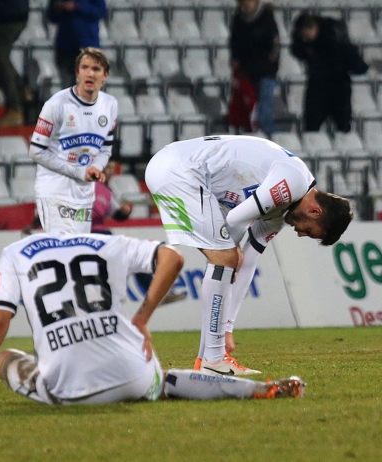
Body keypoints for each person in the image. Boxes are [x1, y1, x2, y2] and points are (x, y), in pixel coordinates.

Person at [0, 231, 306, 409]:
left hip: (70, 391)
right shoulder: (106, 242)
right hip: (135, 377)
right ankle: (254, 390)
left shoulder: (15, 253)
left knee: (7, 360)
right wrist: (141, 317)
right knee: (165, 380)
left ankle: (37, 373)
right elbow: (172, 258)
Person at [145, 135, 352, 375]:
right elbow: (234, 219)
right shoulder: (292, 184)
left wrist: (229, 326)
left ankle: (207, 360)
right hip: (178, 169)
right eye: (312, 232)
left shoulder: (280, 212)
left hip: (181, 171)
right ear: (315, 211)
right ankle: (214, 360)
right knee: (225, 259)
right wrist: (231, 255)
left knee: (225, 262)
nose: (301, 234)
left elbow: (250, 261)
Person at [30, 47, 117, 234]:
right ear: (77, 73)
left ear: (105, 75)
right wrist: (77, 171)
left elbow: (105, 149)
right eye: (85, 68)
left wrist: (97, 168)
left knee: (78, 247)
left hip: (84, 193)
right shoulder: (56, 105)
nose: (90, 73)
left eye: (96, 69)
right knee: (62, 247)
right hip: (54, 190)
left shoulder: (110, 105)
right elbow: (36, 151)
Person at [291, 12, 368, 133]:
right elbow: (297, 51)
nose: (306, 39)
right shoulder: (307, 44)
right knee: (311, 127)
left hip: (338, 88)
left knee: (342, 128)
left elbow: (352, 60)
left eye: (307, 35)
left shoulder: (335, 40)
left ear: (314, 28)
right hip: (317, 87)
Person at [229, 0, 280, 136]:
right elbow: (234, 43)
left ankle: (276, 143)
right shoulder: (238, 20)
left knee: (263, 115)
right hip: (246, 74)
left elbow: (273, 49)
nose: (246, 5)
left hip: (265, 73)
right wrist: (235, 60)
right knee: (249, 114)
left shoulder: (267, 19)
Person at [0, 0, 30, 127]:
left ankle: (14, 107)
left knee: (0, 57)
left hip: (6, 16)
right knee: (0, 55)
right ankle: (21, 88)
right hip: (20, 14)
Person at [47, 0, 107, 88]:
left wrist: (78, 7)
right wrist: (59, 8)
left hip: (87, 44)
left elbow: (100, 12)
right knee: (66, 84)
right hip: (65, 45)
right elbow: (51, 16)